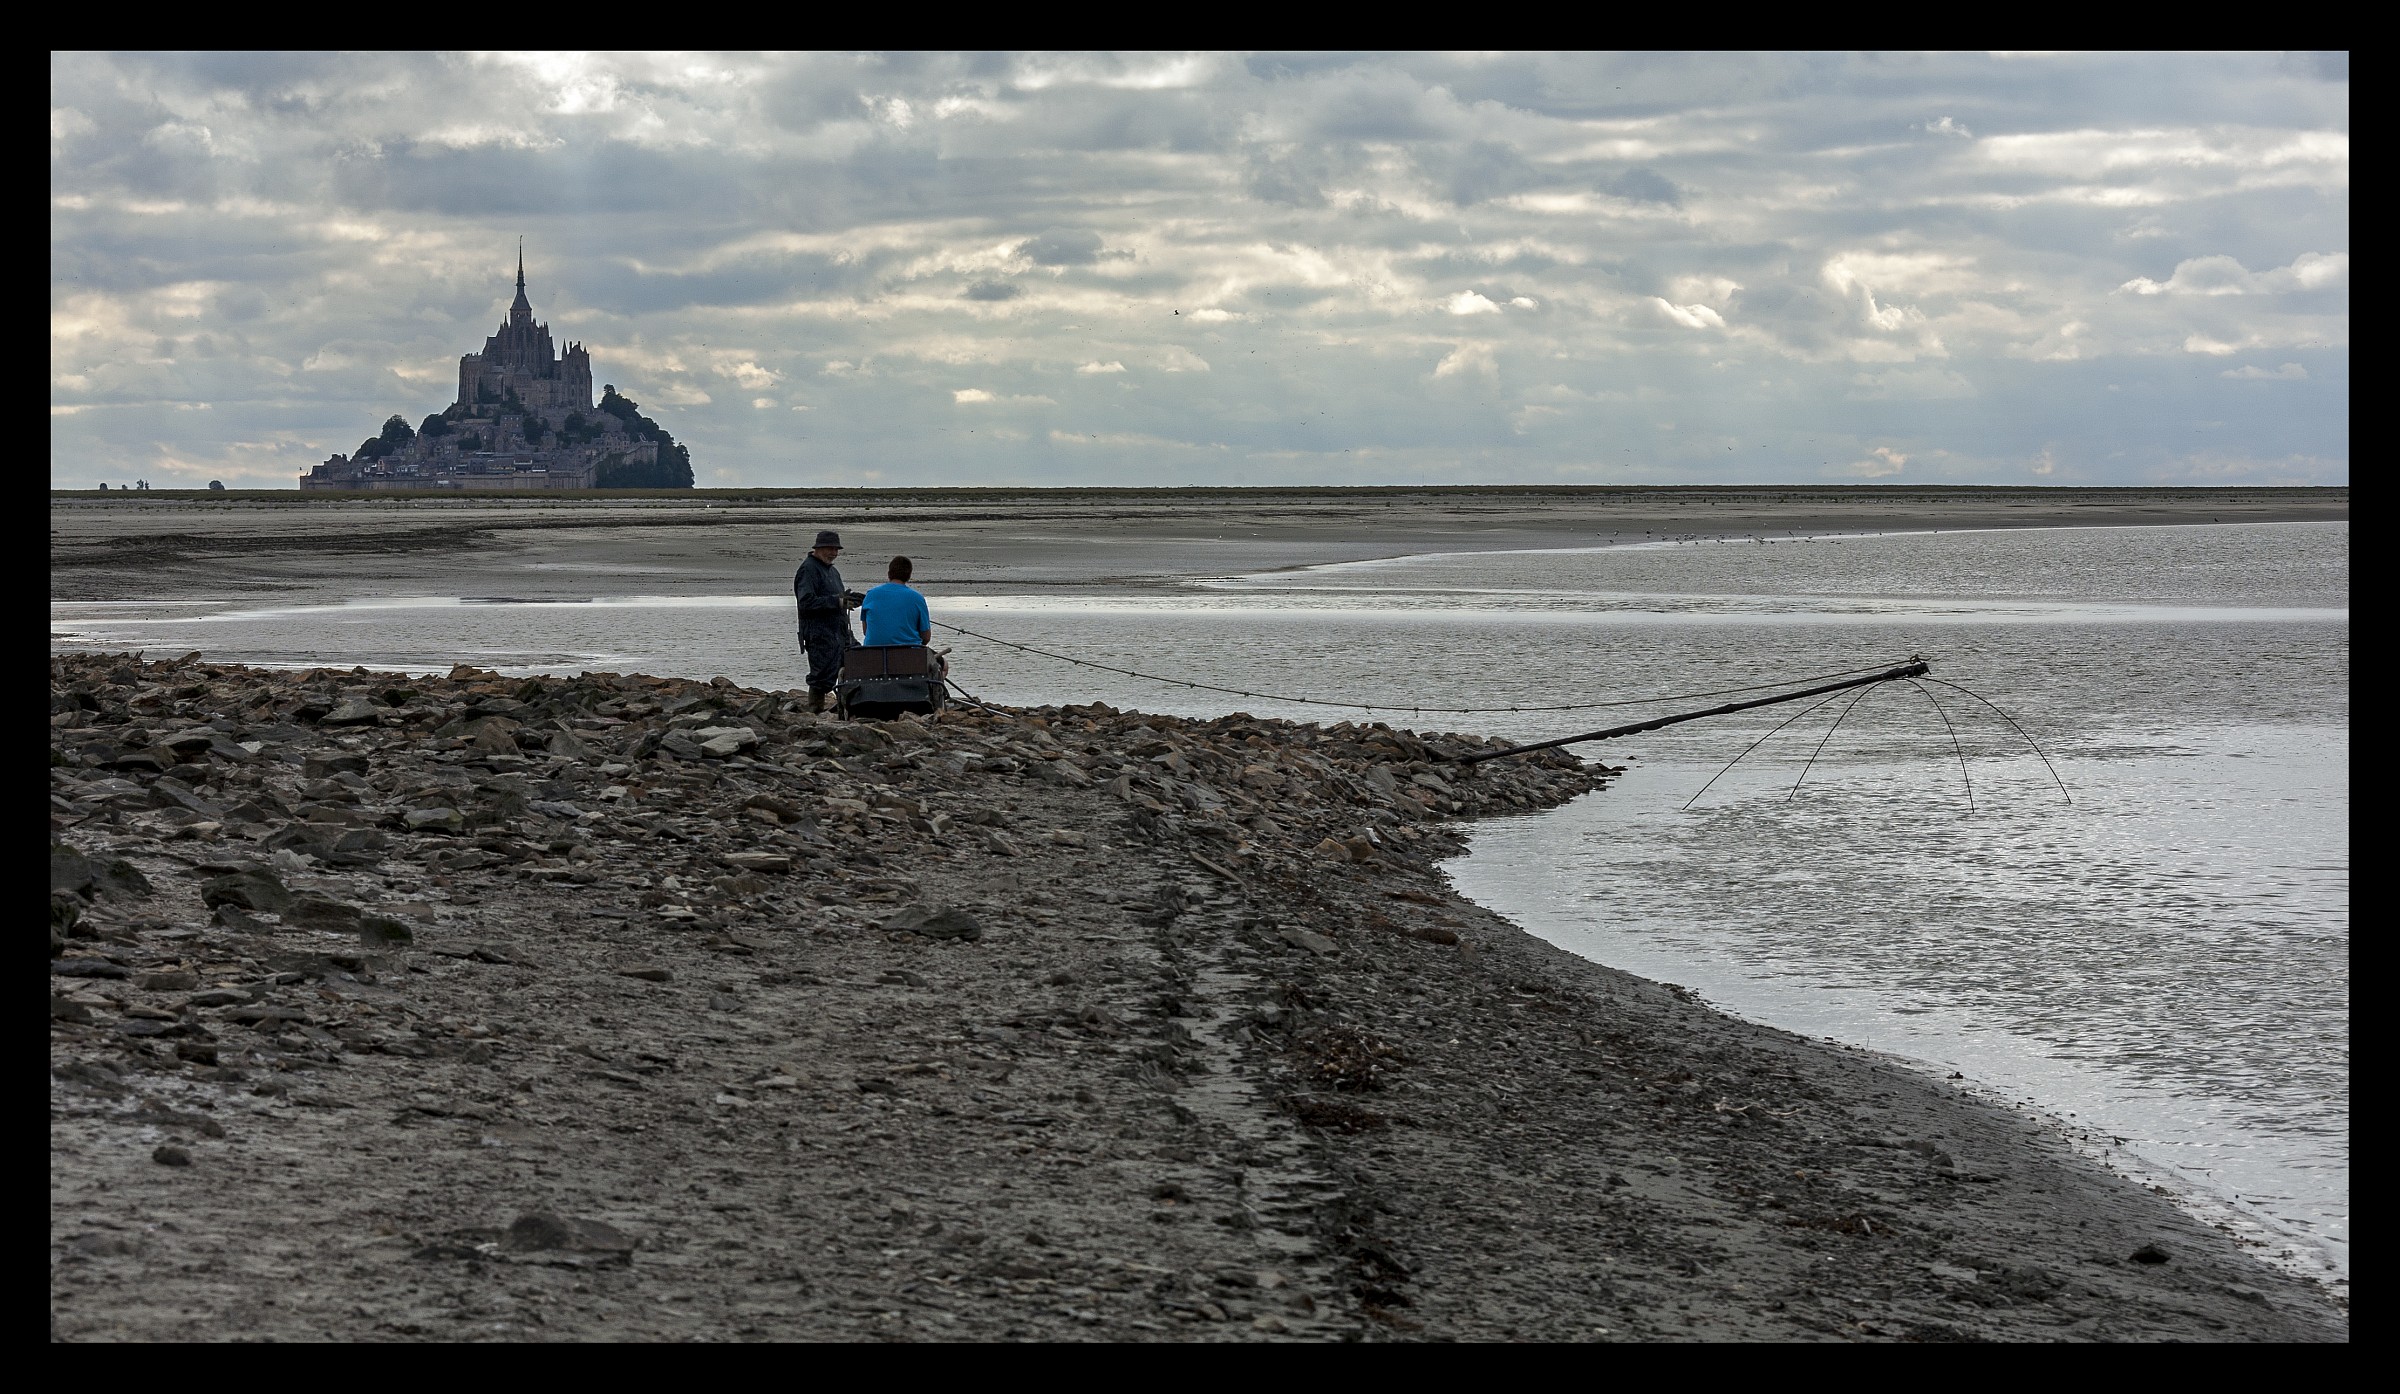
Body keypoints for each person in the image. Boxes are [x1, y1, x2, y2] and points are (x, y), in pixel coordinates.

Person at [793, 529, 860, 712]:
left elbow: (838, 598)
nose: (835, 553)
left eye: (837, 549)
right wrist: (836, 601)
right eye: (831, 549)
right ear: (819, 548)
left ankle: (847, 708)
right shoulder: (808, 569)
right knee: (821, 677)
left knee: (858, 661)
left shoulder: (833, 571)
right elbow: (805, 602)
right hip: (819, 634)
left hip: (841, 632)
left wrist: (852, 600)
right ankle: (814, 714)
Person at [860, 555, 932, 647]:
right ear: (909, 575)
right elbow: (926, 637)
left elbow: (866, 631)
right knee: (943, 662)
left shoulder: (870, 595)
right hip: (909, 654)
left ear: (889, 573)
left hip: (873, 653)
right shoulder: (917, 598)